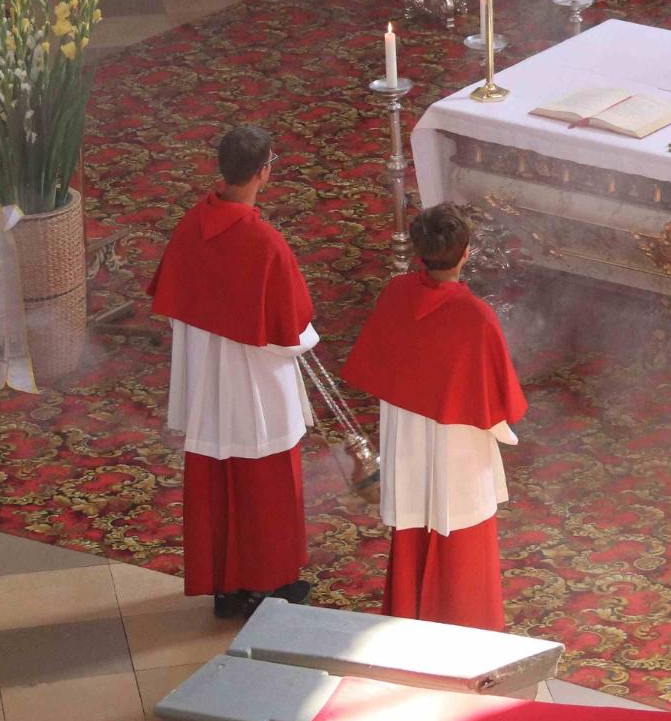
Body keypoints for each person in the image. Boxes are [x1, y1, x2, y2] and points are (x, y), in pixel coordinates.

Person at [148, 126, 318, 618]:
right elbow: (291, 331)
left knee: (218, 476)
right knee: (267, 480)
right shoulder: (264, 242)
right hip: (256, 381)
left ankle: (226, 586)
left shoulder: (191, 225)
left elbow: (178, 302)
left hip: (206, 376)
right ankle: (270, 583)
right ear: (264, 171)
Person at [342, 204, 527, 629]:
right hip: (457, 443)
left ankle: (408, 619)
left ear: (418, 253)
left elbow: (376, 364)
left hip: (406, 436)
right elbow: (502, 402)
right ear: (465, 253)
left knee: (413, 528)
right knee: (462, 540)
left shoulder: (395, 294)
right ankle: (467, 630)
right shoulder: (476, 317)